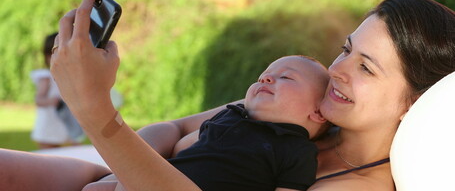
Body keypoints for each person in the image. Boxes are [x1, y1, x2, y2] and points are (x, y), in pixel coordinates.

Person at [0, 0, 453, 191]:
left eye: (366, 67)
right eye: (345, 50)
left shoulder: (356, 188)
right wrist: (114, 177)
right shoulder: (298, 107)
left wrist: (94, 110)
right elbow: (177, 127)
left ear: (416, 101)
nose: (337, 71)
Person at [83, 55, 330, 191]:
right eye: (263, 76)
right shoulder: (231, 115)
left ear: (318, 112)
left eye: (285, 77)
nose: (266, 78)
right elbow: (183, 149)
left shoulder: (296, 151)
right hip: (157, 179)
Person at [30, 32, 85, 149]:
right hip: (50, 122)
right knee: (48, 157)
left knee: (76, 152)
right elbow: (39, 100)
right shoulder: (46, 77)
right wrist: (51, 101)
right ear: (48, 56)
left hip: (68, 119)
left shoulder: (71, 75)